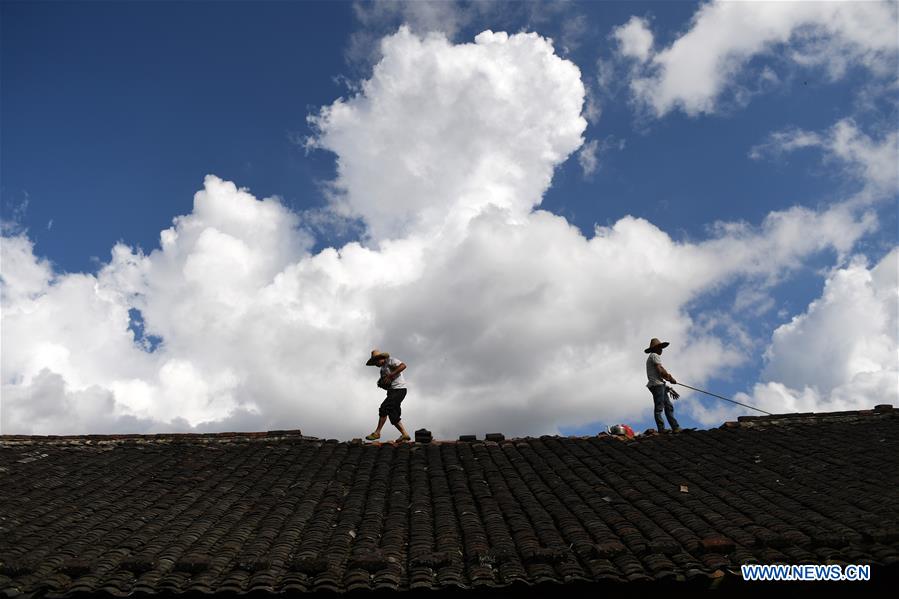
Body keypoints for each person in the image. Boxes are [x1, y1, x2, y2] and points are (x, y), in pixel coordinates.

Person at [365, 349, 411, 442]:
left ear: (380, 358)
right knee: (393, 414)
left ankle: (377, 432)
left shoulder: (391, 360)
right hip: (392, 392)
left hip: (399, 389)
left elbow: (403, 366)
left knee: (384, 408)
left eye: (375, 362)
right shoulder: (382, 370)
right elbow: (386, 384)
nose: (375, 364)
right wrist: (383, 385)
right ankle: (405, 434)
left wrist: (391, 375)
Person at [645, 338, 681, 433]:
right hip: (657, 385)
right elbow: (660, 370)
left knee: (668, 406)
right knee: (659, 407)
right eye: (660, 347)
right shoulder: (655, 355)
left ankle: (675, 427)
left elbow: (661, 369)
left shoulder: (653, 357)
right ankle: (662, 429)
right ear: (655, 348)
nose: (661, 350)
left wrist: (669, 377)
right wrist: (669, 378)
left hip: (659, 385)